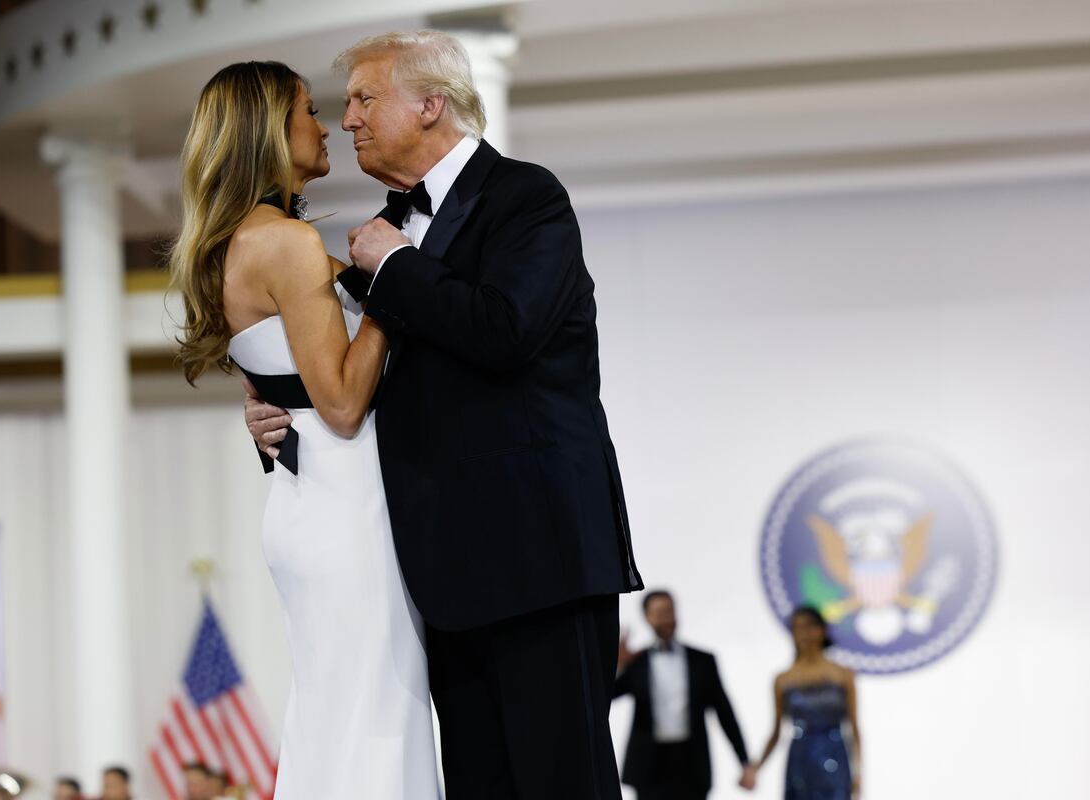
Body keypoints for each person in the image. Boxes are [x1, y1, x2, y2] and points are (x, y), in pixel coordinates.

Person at [243, 30, 642, 800]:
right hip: (441, 579)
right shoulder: (383, 232)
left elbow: (504, 331)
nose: (347, 120)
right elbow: (343, 378)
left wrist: (395, 264)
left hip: (540, 563)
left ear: (431, 105)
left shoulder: (524, 198)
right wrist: (271, 414)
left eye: (365, 98)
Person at [169, 60, 437, 798]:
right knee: (374, 719)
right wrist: (392, 287)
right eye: (308, 111)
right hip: (346, 502)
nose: (326, 126)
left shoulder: (238, 243)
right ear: (267, 130)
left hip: (308, 497)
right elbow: (343, 403)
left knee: (338, 719)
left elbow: (278, 383)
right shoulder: (285, 243)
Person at [614, 590, 757, 799]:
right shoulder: (637, 663)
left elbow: (724, 712)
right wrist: (616, 667)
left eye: (670, 611)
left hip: (691, 764)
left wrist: (744, 761)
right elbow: (607, 697)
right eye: (660, 613)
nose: (667, 618)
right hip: (649, 765)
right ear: (647, 617)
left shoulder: (702, 661)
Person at [753, 607, 862, 800]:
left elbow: (853, 728)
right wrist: (756, 766)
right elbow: (776, 731)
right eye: (797, 628)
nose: (804, 634)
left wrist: (858, 773)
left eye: (809, 627)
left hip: (835, 757)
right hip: (800, 761)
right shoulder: (783, 679)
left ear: (822, 630)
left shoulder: (843, 675)